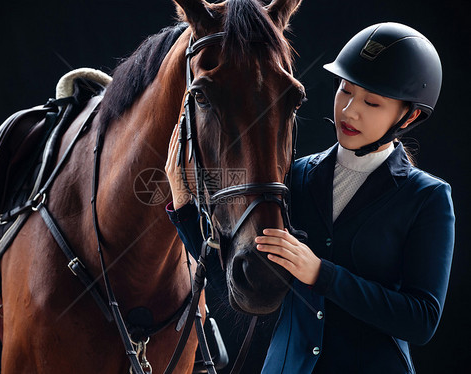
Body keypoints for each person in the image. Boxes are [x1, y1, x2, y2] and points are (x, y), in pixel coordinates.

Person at [164, 22, 455, 374]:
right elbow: (231, 278)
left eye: (372, 102)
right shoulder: (295, 177)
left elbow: (421, 320)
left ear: (410, 116)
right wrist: (182, 206)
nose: (349, 111)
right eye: (345, 91)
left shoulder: (428, 198)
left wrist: (321, 273)